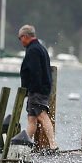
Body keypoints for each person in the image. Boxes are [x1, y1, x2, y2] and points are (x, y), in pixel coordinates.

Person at [17, 24, 58, 152]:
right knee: (31, 119)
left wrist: (31, 90)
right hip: (38, 89)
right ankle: (24, 146)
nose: (20, 41)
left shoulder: (33, 50)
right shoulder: (40, 48)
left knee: (41, 115)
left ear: (25, 36)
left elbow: (35, 72)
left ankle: (53, 145)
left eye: (20, 38)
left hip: (37, 90)